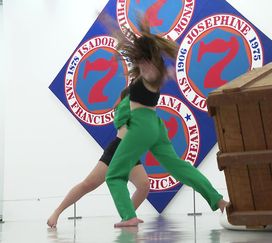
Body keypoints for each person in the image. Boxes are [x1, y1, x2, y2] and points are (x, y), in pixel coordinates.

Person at [105, 20, 229, 227]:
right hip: (156, 126)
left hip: (142, 126)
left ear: (144, 57)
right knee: (179, 167)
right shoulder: (146, 74)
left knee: (114, 175)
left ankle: (129, 216)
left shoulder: (149, 72)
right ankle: (219, 201)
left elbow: (150, 72)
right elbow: (139, 59)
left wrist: (157, 72)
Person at [47, 89, 150, 228]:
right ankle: (56, 213)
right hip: (118, 149)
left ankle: (128, 216)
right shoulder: (127, 105)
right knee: (88, 184)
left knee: (144, 185)